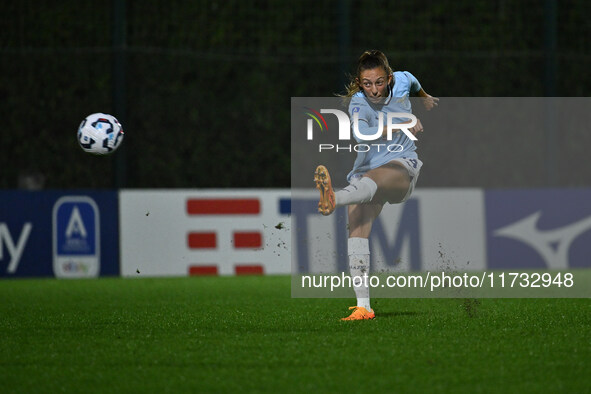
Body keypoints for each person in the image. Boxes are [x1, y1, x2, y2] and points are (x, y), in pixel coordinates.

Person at [314, 50, 438, 321]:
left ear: (390, 78)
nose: (374, 89)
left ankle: (334, 197)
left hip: (401, 167)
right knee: (357, 230)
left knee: (375, 178)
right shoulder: (358, 103)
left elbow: (414, 81)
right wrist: (402, 122)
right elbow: (361, 133)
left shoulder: (402, 80)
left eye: (379, 82)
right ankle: (364, 307)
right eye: (367, 84)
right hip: (366, 174)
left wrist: (425, 97)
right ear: (360, 83)